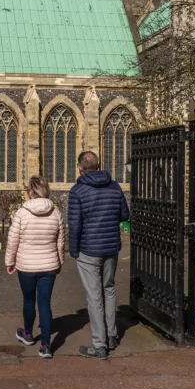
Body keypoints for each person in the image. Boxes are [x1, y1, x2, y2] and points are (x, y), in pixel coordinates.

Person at [67, 150, 128, 360]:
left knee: (94, 297)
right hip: (111, 247)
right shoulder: (114, 186)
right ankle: (111, 336)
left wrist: (73, 250)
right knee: (109, 290)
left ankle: (99, 345)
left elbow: (74, 225)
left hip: (89, 249)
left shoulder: (78, 191)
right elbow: (124, 215)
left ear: (80, 168)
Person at [5, 175, 64, 359]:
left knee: (29, 300)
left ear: (30, 191)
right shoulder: (56, 212)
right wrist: (59, 262)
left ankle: (28, 334)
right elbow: (60, 242)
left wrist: (10, 261)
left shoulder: (22, 213)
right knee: (45, 304)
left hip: (27, 266)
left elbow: (13, 240)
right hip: (48, 266)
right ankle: (46, 346)